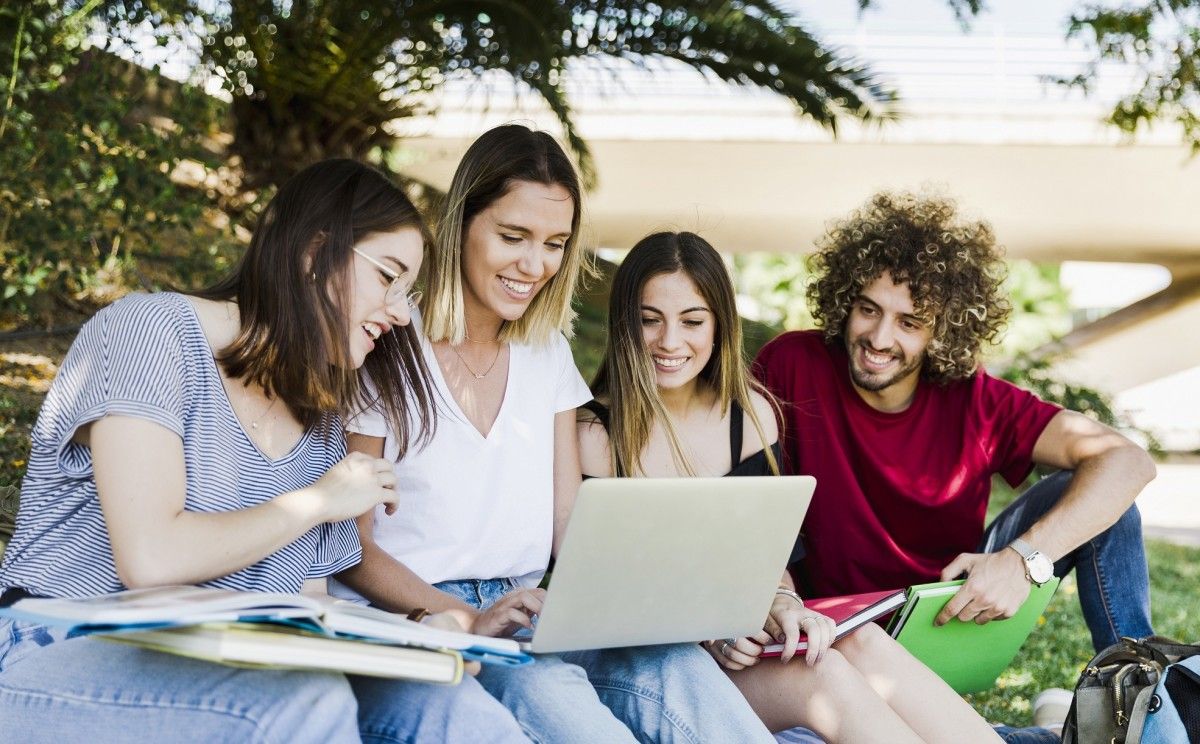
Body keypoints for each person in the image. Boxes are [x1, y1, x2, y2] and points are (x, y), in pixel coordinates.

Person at [0, 159, 528, 743]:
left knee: (448, 707)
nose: (403, 314)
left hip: (230, 665)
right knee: (300, 703)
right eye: (388, 278)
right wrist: (318, 501)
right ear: (313, 254)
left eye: (409, 292)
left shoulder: (321, 421)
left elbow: (308, 607)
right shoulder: (150, 333)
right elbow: (150, 559)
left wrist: (422, 628)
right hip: (52, 652)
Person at [331, 125, 776, 743]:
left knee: (677, 666)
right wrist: (459, 614)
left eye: (554, 244)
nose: (534, 264)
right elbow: (349, 548)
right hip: (423, 615)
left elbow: (572, 525)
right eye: (513, 237)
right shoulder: (386, 348)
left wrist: (668, 607)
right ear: (461, 223)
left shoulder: (546, 356)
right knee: (560, 702)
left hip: (534, 611)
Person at [577, 230, 1005, 744]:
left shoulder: (751, 418)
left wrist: (781, 604)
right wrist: (711, 632)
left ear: (719, 327)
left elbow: (770, 562)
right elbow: (600, 595)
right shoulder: (593, 434)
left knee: (860, 643)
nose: (670, 342)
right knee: (821, 677)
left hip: (735, 652)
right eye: (650, 320)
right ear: (626, 323)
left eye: (692, 321)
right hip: (646, 665)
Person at [754, 189, 1156, 654]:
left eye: (909, 322)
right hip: (829, 633)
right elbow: (745, 494)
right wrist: (780, 594)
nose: (879, 338)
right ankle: (1055, 730)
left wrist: (1021, 562)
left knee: (1108, 501)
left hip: (943, 621)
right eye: (868, 309)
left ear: (943, 330)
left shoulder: (977, 401)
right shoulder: (792, 363)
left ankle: (1138, 689)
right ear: (845, 301)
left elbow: (1129, 462)